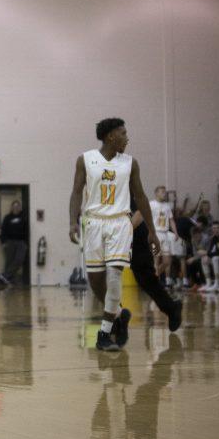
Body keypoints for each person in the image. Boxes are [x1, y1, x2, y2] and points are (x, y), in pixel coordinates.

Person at [68, 118, 160, 352]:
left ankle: (104, 333)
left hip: (120, 222)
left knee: (114, 276)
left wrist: (151, 230)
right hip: (93, 222)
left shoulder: (130, 163)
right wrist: (72, 222)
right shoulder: (85, 160)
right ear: (110, 136)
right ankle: (119, 315)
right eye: (123, 133)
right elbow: (76, 192)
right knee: (95, 280)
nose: (127, 137)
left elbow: (140, 197)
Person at [128, 197, 182, 331]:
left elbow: (140, 210)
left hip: (134, 230)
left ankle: (171, 307)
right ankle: (113, 320)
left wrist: (152, 232)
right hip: (113, 228)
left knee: (145, 276)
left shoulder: (128, 185)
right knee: (102, 275)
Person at [149, 186, 179, 287]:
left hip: (165, 234)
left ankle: (156, 275)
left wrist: (175, 232)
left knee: (167, 260)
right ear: (156, 193)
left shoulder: (167, 206)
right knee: (156, 258)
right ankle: (155, 282)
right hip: (156, 233)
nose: (164, 194)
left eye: (165, 192)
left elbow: (171, 220)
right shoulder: (151, 204)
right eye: (162, 192)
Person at [0, 200, 29, 285]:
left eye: (17, 206)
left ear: (20, 208)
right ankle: (8, 280)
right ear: (11, 208)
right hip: (10, 242)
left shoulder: (24, 218)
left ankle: (4, 276)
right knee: (9, 261)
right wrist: (3, 242)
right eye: (14, 206)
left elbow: (27, 231)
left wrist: (26, 242)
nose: (16, 208)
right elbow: (3, 231)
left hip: (21, 242)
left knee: (19, 259)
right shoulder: (7, 218)